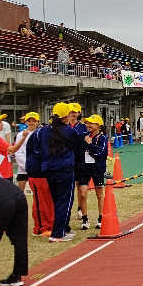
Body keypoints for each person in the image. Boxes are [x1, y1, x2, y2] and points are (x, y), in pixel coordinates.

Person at [26, 102, 82, 242]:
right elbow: (78, 148)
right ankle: (58, 233)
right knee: (65, 201)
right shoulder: (69, 131)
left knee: (56, 201)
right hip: (64, 169)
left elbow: (35, 148)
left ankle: (62, 229)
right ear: (66, 116)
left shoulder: (43, 131)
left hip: (48, 170)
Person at [78, 115, 107, 230]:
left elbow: (101, 154)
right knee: (83, 193)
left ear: (98, 126)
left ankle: (101, 218)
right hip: (84, 169)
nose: (88, 125)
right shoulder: (84, 136)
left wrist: (90, 145)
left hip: (97, 169)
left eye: (92, 123)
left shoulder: (102, 138)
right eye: (87, 123)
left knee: (99, 194)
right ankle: (85, 219)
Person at [0, 113, 30, 181]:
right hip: (2, 172)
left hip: (1, 171)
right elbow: (13, 149)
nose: (2, 124)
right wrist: (24, 137)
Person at [14, 112, 39, 192]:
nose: (31, 123)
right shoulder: (20, 135)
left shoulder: (41, 134)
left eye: (34, 121)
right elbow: (18, 151)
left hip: (36, 168)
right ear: (25, 122)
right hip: (23, 168)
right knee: (20, 192)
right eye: (29, 121)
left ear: (38, 122)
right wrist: (25, 165)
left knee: (37, 192)